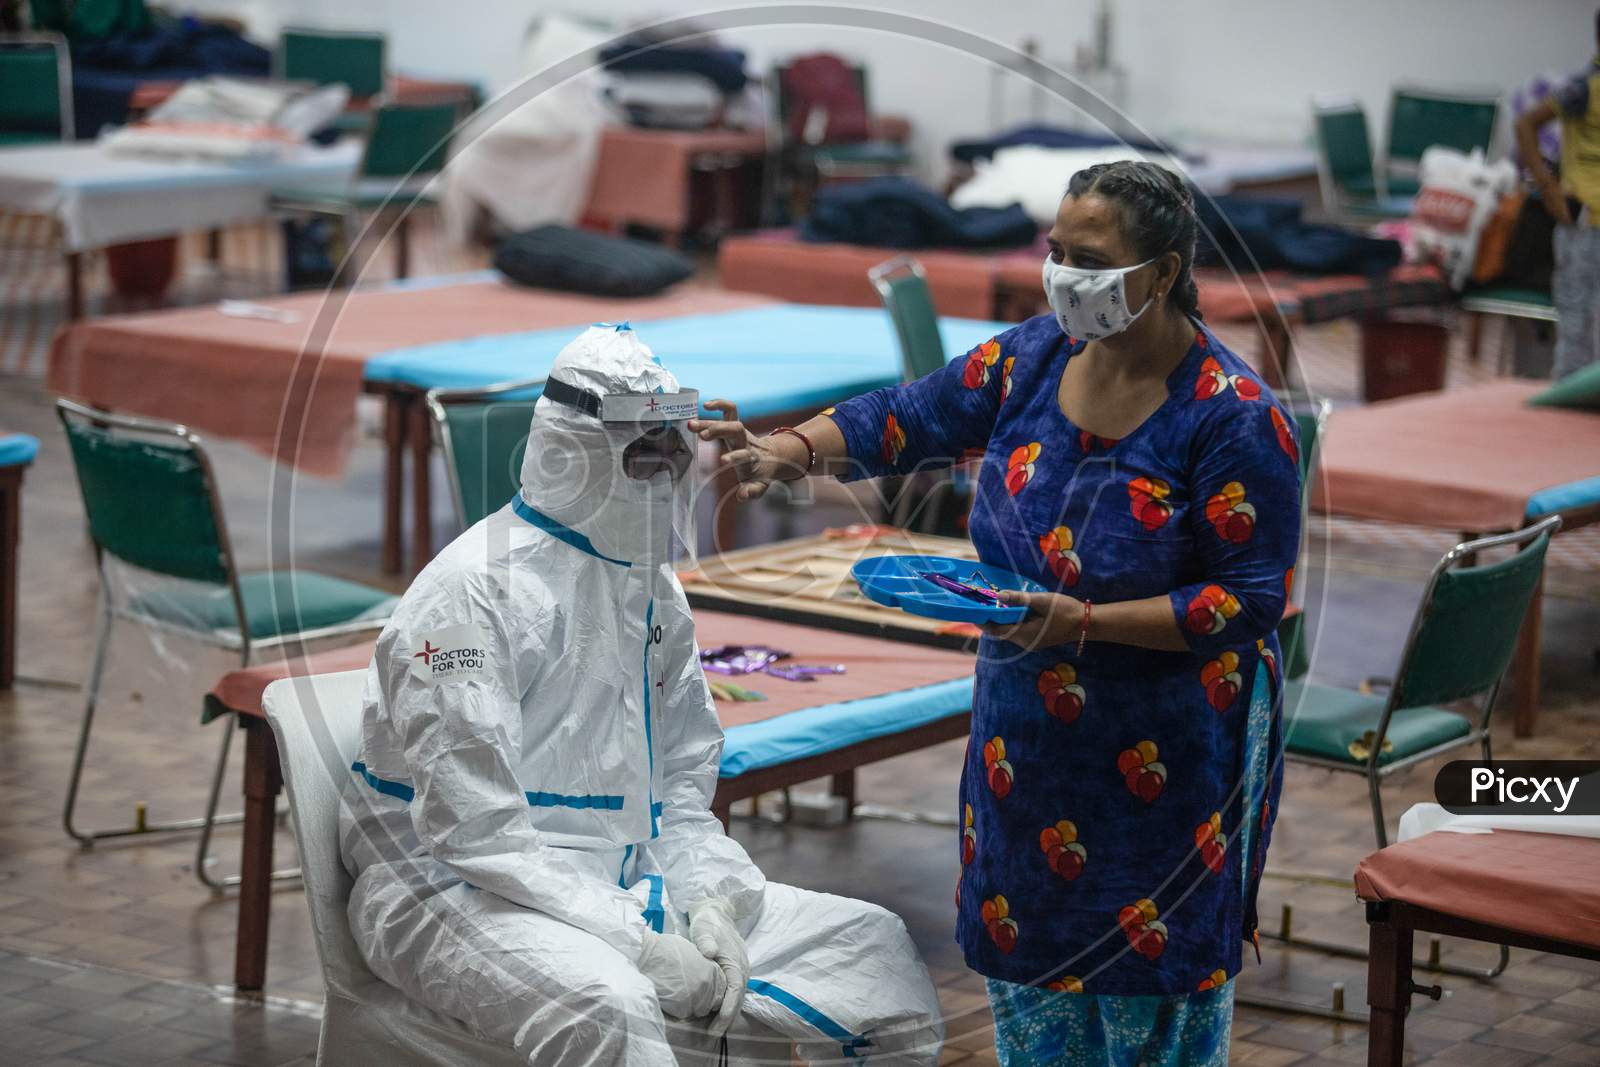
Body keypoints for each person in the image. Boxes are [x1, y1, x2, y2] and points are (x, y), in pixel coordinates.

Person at [693, 161, 1301, 1067]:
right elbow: (909, 415)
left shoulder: (1232, 417)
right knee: (1030, 992)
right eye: (1056, 250)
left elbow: (1246, 599)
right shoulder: (1032, 357)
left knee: (1149, 1010)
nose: (1062, 274)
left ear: (1164, 274)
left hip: (1165, 768)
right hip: (1028, 756)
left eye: (1088, 258)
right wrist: (788, 449)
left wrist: (1081, 623)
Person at [340, 324, 943, 1066]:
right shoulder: (473, 592)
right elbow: (476, 833)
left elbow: (681, 793)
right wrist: (640, 944)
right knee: (609, 1005)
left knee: (872, 947)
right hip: (449, 892)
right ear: (572, 454)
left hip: (625, 877)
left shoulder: (649, 585)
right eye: (643, 456)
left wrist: (711, 898)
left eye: (673, 453)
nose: (665, 476)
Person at [1516, 7, 1600, 378]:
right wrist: (1547, 184)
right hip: (1583, 220)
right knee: (1577, 320)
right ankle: (1570, 404)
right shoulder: (1582, 89)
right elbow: (1526, 124)